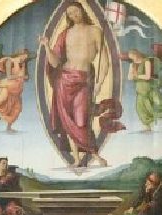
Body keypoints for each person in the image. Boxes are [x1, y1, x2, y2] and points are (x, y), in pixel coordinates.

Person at [44, 0, 118, 167]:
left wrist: (99, 84)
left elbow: (105, 61)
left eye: (76, 11)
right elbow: (55, 63)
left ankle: (95, 156)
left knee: (81, 120)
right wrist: (47, 46)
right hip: (64, 80)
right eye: (70, 14)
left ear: (82, 10)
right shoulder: (65, 34)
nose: (74, 15)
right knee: (68, 122)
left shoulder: (95, 31)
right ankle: (77, 160)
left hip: (84, 80)